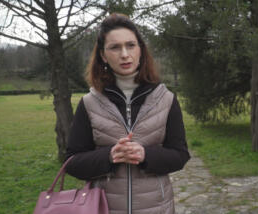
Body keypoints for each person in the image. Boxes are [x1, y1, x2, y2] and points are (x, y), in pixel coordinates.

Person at [65, 13, 190, 214]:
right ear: (103, 56)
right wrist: (109, 156)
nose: (124, 54)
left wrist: (146, 154)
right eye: (115, 47)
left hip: (157, 208)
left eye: (130, 45)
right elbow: (72, 162)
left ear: (140, 50)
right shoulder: (89, 103)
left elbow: (180, 155)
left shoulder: (166, 99)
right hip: (103, 208)